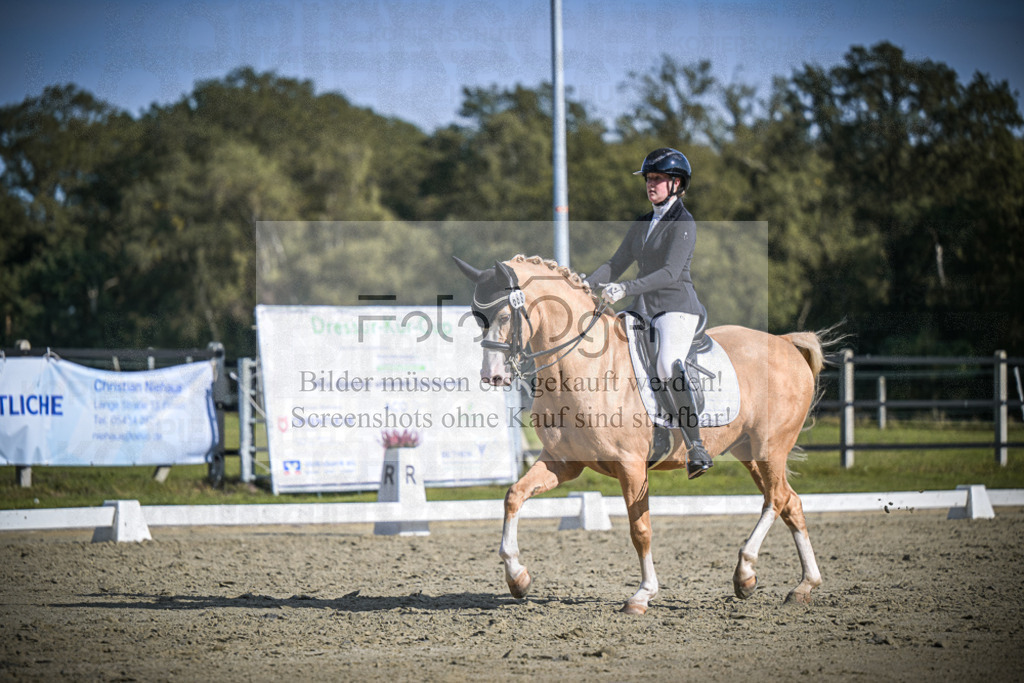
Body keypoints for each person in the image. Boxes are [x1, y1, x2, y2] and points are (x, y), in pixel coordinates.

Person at [586, 147, 712, 479]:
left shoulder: (683, 223)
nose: (651, 184)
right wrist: (583, 284)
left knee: (667, 364)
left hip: (676, 307)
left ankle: (696, 446)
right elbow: (615, 264)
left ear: (677, 184)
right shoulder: (643, 223)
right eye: (649, 179)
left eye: (658, 179)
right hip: (643, 308)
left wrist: (625, 289)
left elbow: (670, 273)